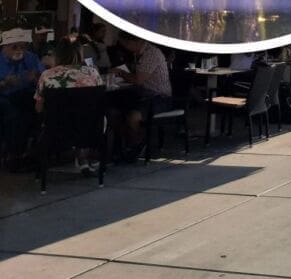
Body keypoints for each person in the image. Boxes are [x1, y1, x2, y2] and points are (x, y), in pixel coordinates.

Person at [34, 40, 102, 174]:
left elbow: (39, 108)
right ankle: (84, 158)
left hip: (56, 129)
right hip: (89, 128)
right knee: (85, 116)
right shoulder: (92, 73)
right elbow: (99, 102)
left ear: (57, 55)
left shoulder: (47, 75)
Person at [113, 32, 171, 160]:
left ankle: (138, 144)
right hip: (144, 97)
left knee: (133, 117)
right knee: (116, 113)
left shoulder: (151, 54)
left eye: (125, 44)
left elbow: (138, 80)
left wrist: (121, 73)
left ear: (133, 42)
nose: (125, 48)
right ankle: (122, 147)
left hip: (159, 98)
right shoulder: (140, 54)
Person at [0, 27, 45, 169]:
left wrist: (36, 77)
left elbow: (43, 77)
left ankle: (32, 150)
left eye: (23, 47)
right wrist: (4, 83)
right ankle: (13, 154)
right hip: (5, 96)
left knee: (40, 110)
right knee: (14, 114)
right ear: (5, 47)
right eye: (15, 47)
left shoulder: (31, 58)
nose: (19, 50)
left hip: (26, 94)